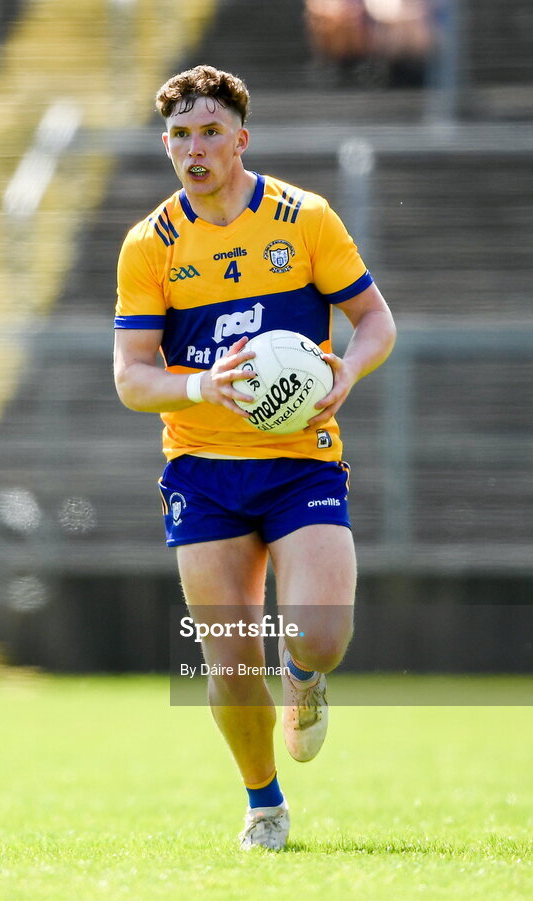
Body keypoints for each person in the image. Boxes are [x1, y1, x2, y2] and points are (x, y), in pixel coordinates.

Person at [113, 65, 396, 851]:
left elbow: (375, 321)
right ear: (166, 145)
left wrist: (350, 368)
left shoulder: (305, 218)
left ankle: (304, 674)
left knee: (321, 636)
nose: (194, 149)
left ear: (241, 138)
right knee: (232, 665)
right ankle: (264, 805)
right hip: (203, 470)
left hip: (301, 460)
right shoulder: (150, 244)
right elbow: (131, 378)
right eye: (179, 135)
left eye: (210, 132)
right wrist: (200, 385)